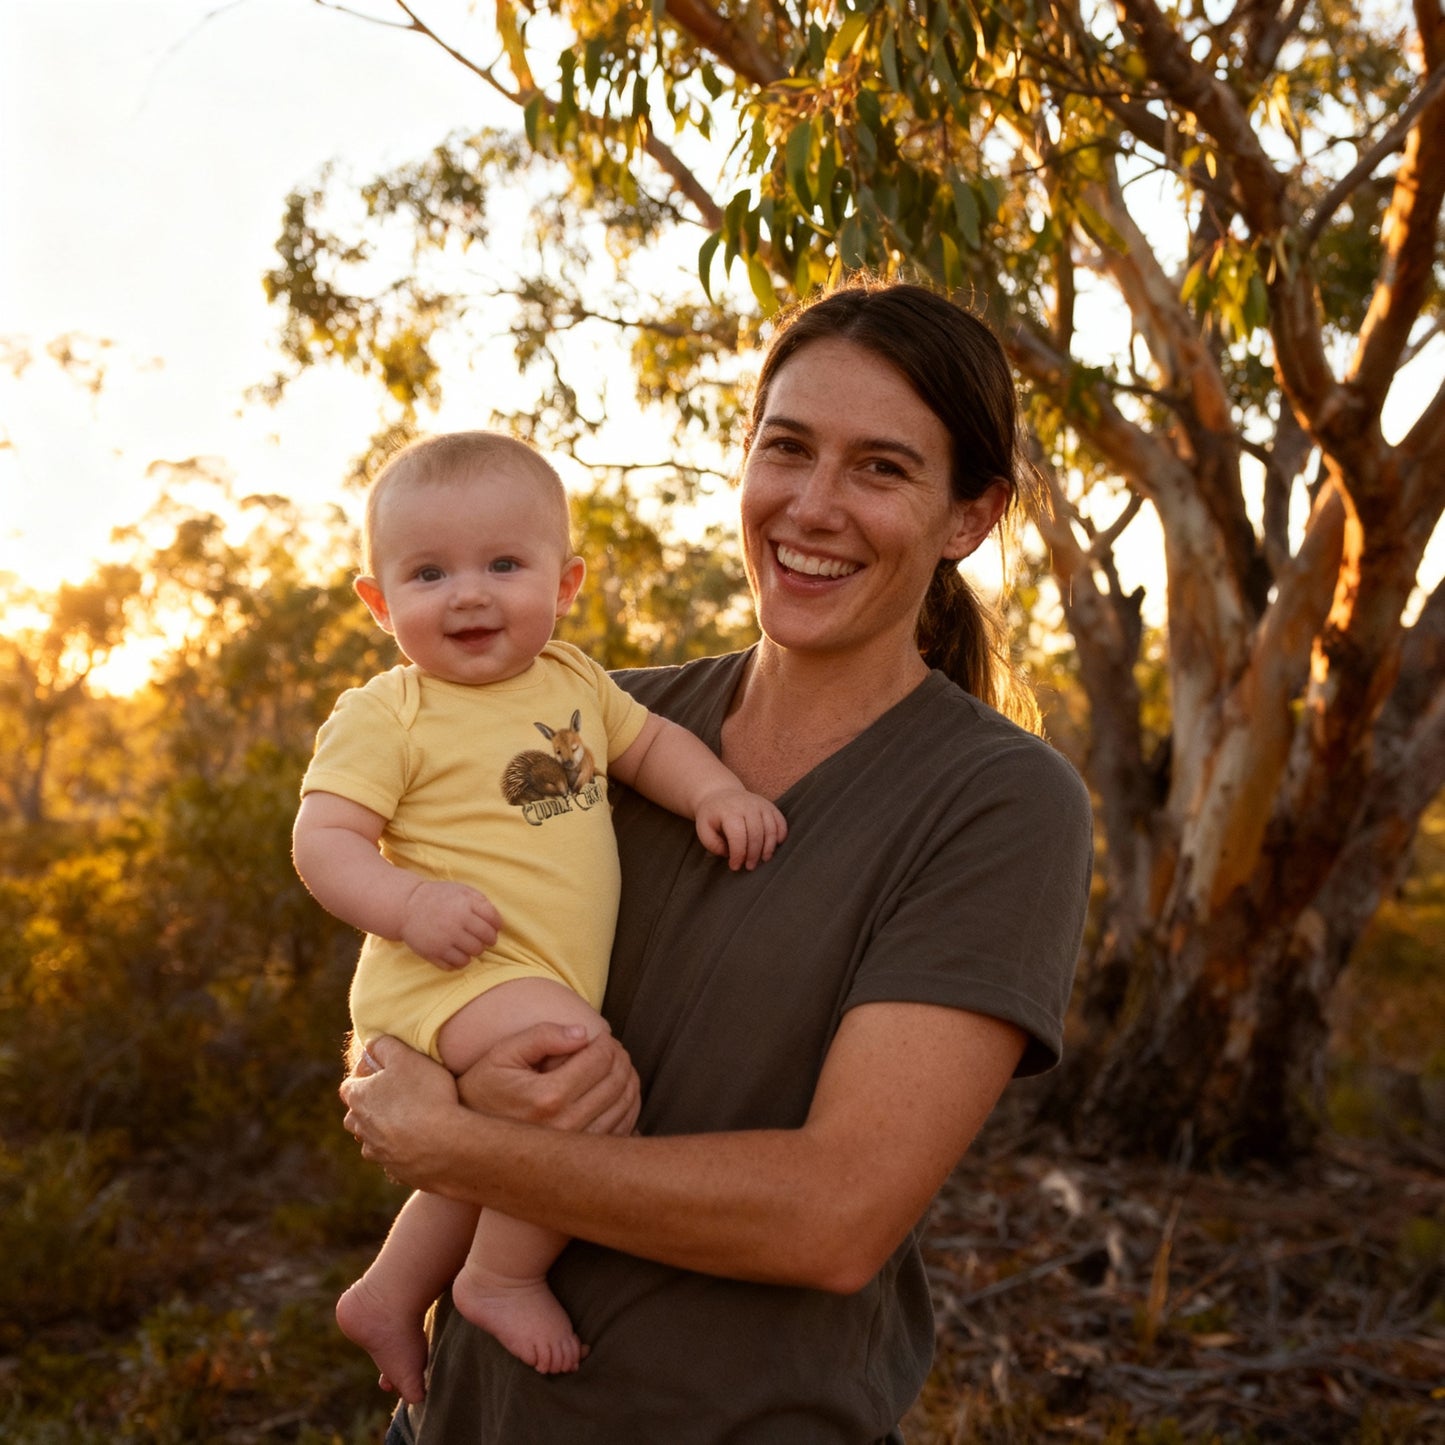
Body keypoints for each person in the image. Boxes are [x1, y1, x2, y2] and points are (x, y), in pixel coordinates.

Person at [339, 277, 1095, 1443]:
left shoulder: (996, 801)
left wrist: (465, 1140)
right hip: (458, 1420)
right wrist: (445, 1077)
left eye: (881, 468)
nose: (812, 504)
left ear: (968, 518)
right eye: (785, 449)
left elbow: (832, 1219)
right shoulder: (589, 728)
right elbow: (400, 992)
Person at [293, 431, 786, 1401]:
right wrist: (408, 902)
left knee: (492, 1139)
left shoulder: (574, 684)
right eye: (429, 573)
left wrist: (716, 794)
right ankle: (497, 1274)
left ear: (565, 585)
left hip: (519, 974)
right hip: (442, 968)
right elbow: (323, 840)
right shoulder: (388, 710)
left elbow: (653, 749)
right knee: (582, 1082)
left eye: (503, 564)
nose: (469, 593)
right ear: (378, 602)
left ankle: (389, 1290)